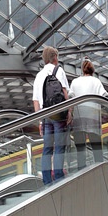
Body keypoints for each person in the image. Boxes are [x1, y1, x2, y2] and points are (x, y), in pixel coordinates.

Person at [33, 45, 70, 185]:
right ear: (54, 57)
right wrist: (69, 113)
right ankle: (59, 176)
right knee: (60, 146)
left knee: (47, 148)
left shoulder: (38, 76)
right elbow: (65, 94)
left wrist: (40, 122)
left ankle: (47, 180)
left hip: (45, 115)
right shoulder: (59, 70)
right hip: (59, 114)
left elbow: (36, 101)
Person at [67, 59, 108, 169]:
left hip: (79, 121)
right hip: (93, 120)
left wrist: (70, 113)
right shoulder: (96, 81)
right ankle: (100, 173)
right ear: (92, 70)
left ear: (82, 69)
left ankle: (82, 175)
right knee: (97, 152)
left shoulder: (75, 82)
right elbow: (105, 97)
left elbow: (70, 98)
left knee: (80, 152)